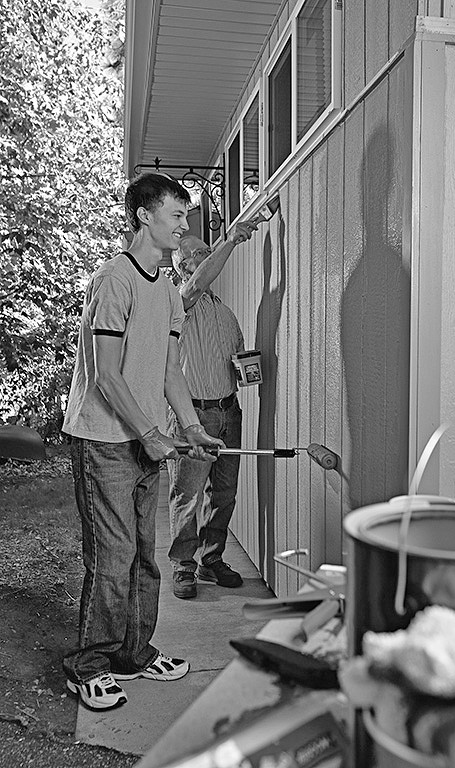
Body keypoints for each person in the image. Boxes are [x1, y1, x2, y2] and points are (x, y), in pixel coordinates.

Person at [61, 173, 223, 711]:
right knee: (112, 556)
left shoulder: (170, 295)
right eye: (176, 216)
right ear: (143, 217)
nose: (184, 226)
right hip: (105, 439)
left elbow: (171, 371)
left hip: (147, 440)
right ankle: (88, 666)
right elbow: (107, 375)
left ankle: (133, 653)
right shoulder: (115, 280)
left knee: (145, 557)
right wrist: (149, 434)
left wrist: (191, 427)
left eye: (185, 216)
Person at [168, 222, 258, 599]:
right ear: (184, 266)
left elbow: (234, 357)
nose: (207, 256)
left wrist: (246, 367)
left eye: (207, 250)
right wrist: (233, 239)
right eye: (201, 253)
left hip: (228, 411)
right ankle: (183, 567)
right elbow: (199, 284)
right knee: (187, 495)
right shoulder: (179, 300)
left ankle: (211, 559)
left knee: (224, 494)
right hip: (193, 416)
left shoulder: (225, 312)